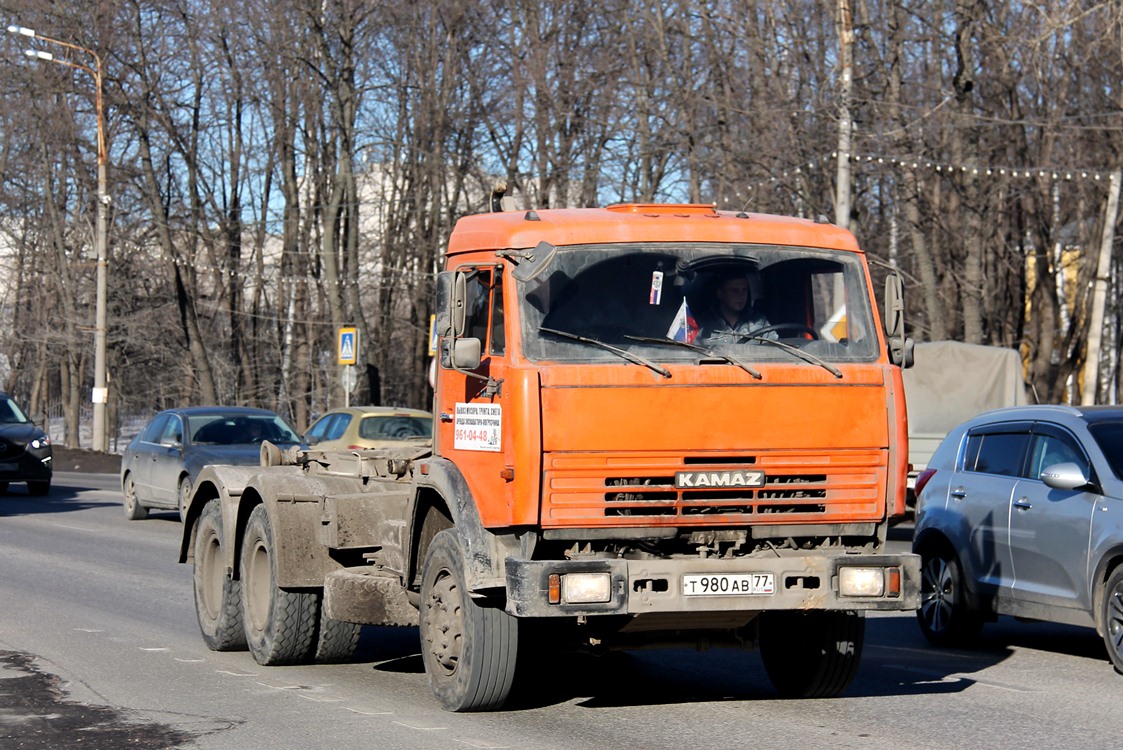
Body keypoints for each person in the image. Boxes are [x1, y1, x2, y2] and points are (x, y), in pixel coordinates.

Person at [699, 272, 776, 344]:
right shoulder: (704, 328)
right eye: (735, 290)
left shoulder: (760, 324)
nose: (741, 296)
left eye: (744, 290)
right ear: (720, 294)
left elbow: (776, 350)